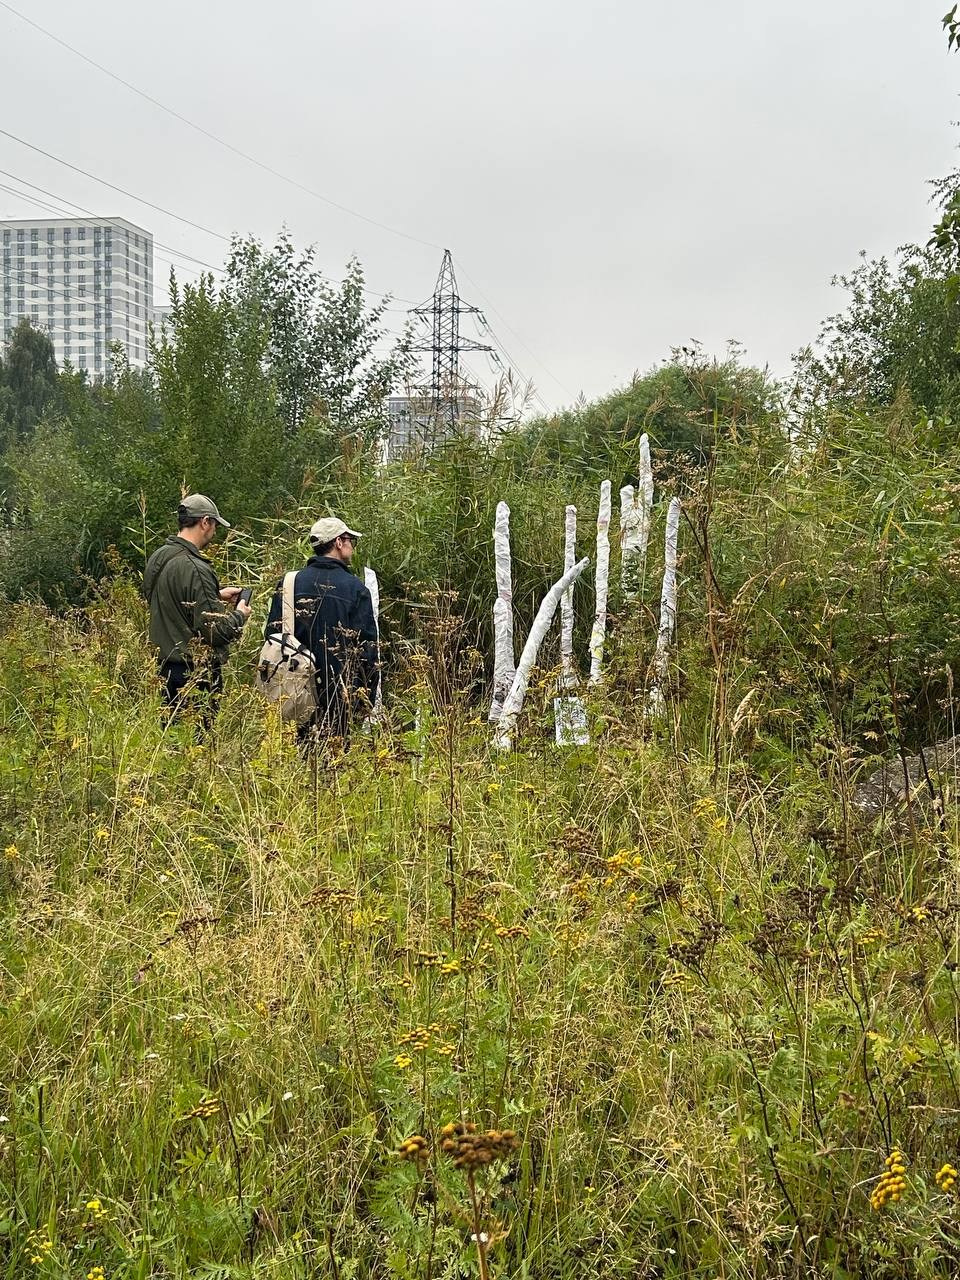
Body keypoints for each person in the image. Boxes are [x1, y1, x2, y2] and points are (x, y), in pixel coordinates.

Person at [264, 516, 380, 742]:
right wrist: (364, 700)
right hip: (340, 695)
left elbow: (272, 637)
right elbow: (368, 652)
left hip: (292, 693)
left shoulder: (289, 583)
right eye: (350, 541)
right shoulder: (356, 589)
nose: (352, 547)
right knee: (336, 765)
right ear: (338, 542)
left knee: (295, 761)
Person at [143, 493, 252, 724]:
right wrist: (240, 615)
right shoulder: (196, 568)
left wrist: (214, 595)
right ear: (204, 522)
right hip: (194, 674)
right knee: (197, 747)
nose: (215, 531)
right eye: (214, 524)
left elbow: (166, 600)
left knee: (171, 746)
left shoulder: (158, 557)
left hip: (163, 669)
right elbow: (215, 631)